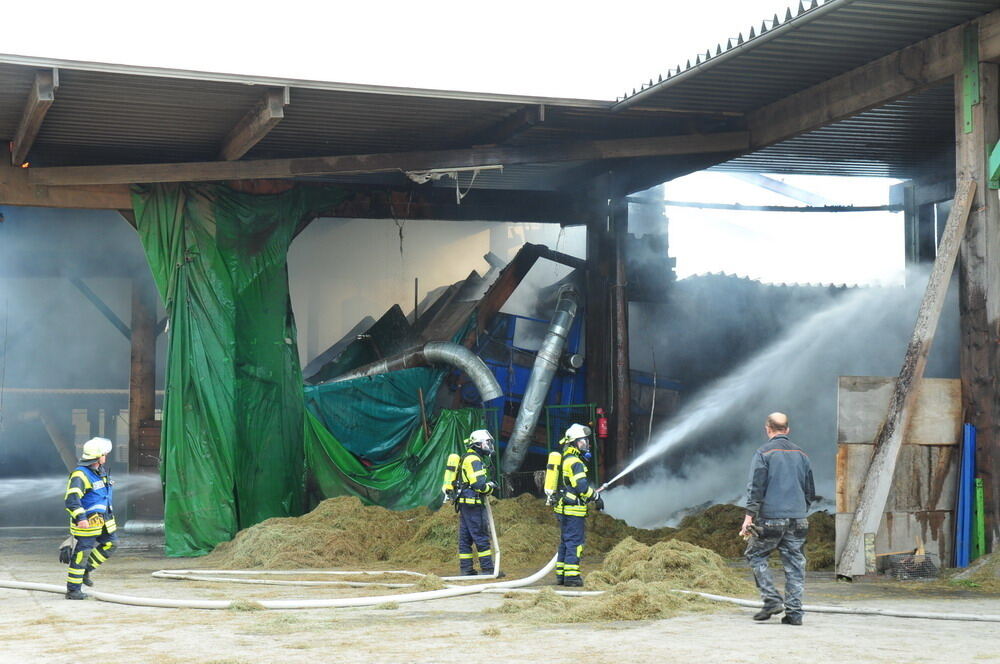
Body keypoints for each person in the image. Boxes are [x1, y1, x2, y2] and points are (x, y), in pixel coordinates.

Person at [740, 412, 815, 626]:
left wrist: (748, 518)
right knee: (795, 565)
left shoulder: (763, 453)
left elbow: (756, 488)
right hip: (798, 520)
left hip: (771, 519)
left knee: (755, 555)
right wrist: (799, 510)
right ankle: (794, 614)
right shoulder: (803, 455)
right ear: (787, 430)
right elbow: (810, 491)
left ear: (768, 429)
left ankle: (772, 599)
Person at [63, 437, 118, 600]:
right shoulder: (80, 475)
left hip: (103, 522)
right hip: (86, 524)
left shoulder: (99, 470)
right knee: (81, 554)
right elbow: (72, 499)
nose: (106, 456)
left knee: (111, 544)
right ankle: (73, 590)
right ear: (98, 456)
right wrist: (80, 518)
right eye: (104, 454)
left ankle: (86, 569)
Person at [551, 423, 603, 587]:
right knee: (575, 543)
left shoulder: (566, 458)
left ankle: (562, 575)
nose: (585, 444)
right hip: (573, 510)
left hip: (564, 508)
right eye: (582, 441)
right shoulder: (575, 462)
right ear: (573, 442)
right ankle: (572, 577)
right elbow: (581, 487)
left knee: (565, 543)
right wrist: (595, 496)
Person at [453, 429, 497, 576]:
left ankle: (466, 569)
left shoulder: (468, 457)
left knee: (465, 537)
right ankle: (488, 569)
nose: (489, 445)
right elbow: (479, 485)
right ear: (478, 444)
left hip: (465, 504)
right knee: (481, 536)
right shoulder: (474, 460)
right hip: (473, 504)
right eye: (487, 442)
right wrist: (490, 488)